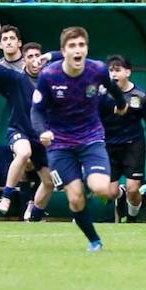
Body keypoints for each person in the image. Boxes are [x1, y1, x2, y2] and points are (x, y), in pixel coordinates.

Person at [30, 26, 126, 250]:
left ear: (86, 49)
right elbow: (36, 110)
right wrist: (41, 131)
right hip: (60, 144)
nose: (77, 50)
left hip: (91, 137)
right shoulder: (49, 75)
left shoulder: (98, 70)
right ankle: (94, 240)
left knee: (102, 189)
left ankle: (84, 177)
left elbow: (112, 87)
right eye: (72, 46)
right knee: (75, 198)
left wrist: (121, 105)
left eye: (81, 45)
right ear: (63, 51)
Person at [0, 24, 56, 219]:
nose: (34, 60)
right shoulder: (16, 78)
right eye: (30, 57)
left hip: (41, 136)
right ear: (24, 60)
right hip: (19, 130)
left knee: (49, 182)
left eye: (37, 57)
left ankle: (35, 217)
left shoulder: (50, 78)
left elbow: (65, 56)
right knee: (24, 153)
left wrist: (49, 56)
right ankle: (6, 197)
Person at [100, 55, 146, 222]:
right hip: (109, 146)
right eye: (110, 70)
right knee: (110, 193)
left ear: (128, 72)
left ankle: (132, 218)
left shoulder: (140, 95)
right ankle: (121, 194)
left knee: (134, 190)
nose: (113, 74)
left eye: (117, 70)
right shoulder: (102, 95)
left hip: (133, 145)